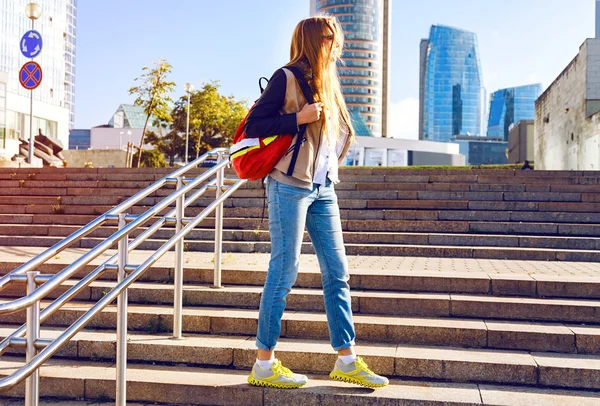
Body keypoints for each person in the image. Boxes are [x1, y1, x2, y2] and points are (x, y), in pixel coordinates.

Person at [243, 16, 389, 389]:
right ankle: (264, 363)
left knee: (337, 270)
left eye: (336, 38)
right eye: (329, 38)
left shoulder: (329, 83)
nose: (336, 44)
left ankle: (347, 359)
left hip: (324, 187)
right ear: (312, 39)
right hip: (288, 185)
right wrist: (298, 118)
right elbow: (255, 125)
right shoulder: (286, 77)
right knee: (284, 270)